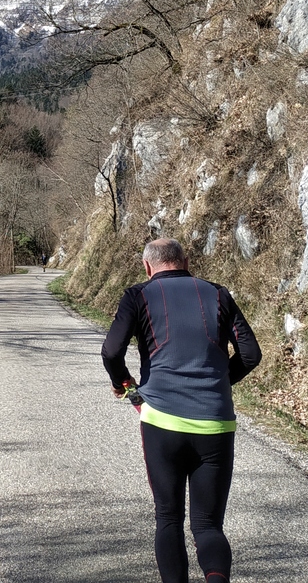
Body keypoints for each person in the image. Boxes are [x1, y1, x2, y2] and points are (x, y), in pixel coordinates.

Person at [101, 237, 261, 583]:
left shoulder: (138, 295)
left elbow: (112, 351)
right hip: (216, 423)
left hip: (162, 422)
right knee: (208, 525)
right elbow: (251, 354)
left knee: (169, 518)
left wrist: (125, 385)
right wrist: (217, 383)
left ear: (147, 266)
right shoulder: (218, 294)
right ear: (186, 262)